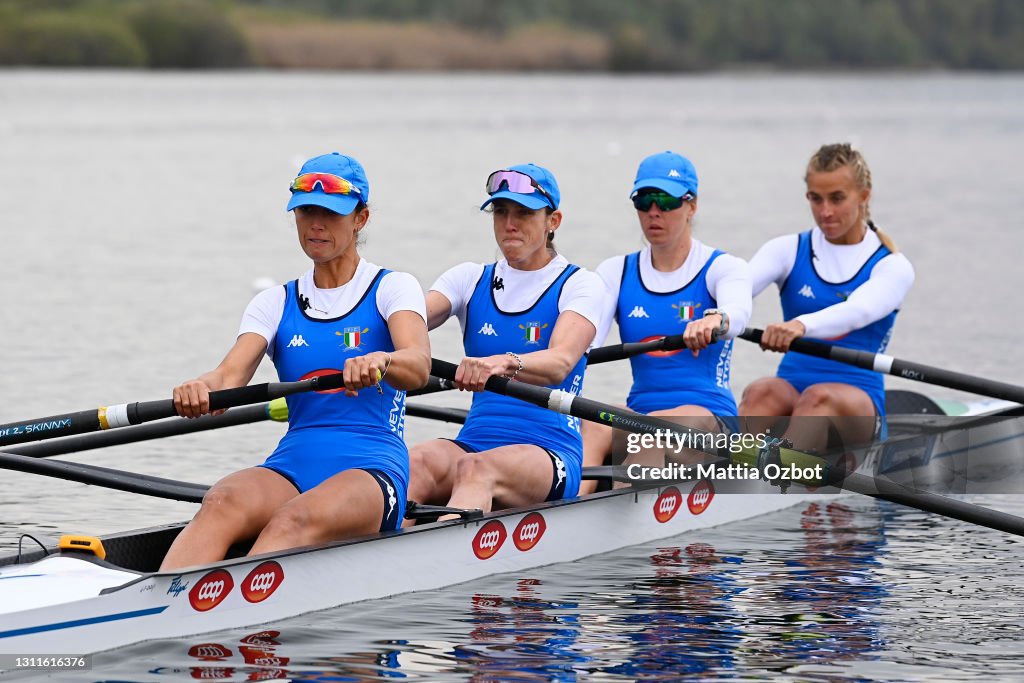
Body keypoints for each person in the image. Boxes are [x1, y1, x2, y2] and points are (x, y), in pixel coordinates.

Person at [160, 152, 430, 570]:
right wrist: (201, 388)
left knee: (291, 520)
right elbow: (229, 376)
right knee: (221, 500)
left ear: (361, 219)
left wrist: (383, 361)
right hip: (293, 463)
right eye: (306, 212)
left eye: (331, 213)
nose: (316, 224)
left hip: (373, 468)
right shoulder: (274, 302)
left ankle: (226, 607)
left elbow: (418, 364)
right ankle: (163, 605)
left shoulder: (392, 288)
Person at [406, 163, 605, 518]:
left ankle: (439, 559)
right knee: (414, 461)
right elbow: (407, 323)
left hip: (550, 452)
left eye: (524, 212)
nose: (510, 223)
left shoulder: (580, 285)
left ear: (553, 221)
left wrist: (505, 362)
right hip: (475, 441)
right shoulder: (468, 279)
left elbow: (560, 362)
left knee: (476, 469)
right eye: (501, 211)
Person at [580, 151, 752, 493]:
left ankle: (606, 510)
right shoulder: (617, 271)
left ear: (692, 205)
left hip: (708, 419)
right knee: (590, 423)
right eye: (643, 201)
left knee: (656, 436)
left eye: (666, 200)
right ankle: (564, 511)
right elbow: (587, 339)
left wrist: (718, 318)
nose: (653, 212)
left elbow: (739, 312)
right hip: (641, 413)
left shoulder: (722, 267)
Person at [738, 143, 914, 452]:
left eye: (837, 198)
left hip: (856, 403)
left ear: (864, 195)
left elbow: (858, 310)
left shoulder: (892, 266)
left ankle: (776, 479)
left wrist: (800, 325)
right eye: (815, 199)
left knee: (818, 399)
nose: (825, 211)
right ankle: (719, 478)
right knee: (760, 392)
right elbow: (737, 289)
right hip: (792, 388)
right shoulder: (787, 250)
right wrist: (717, 315)